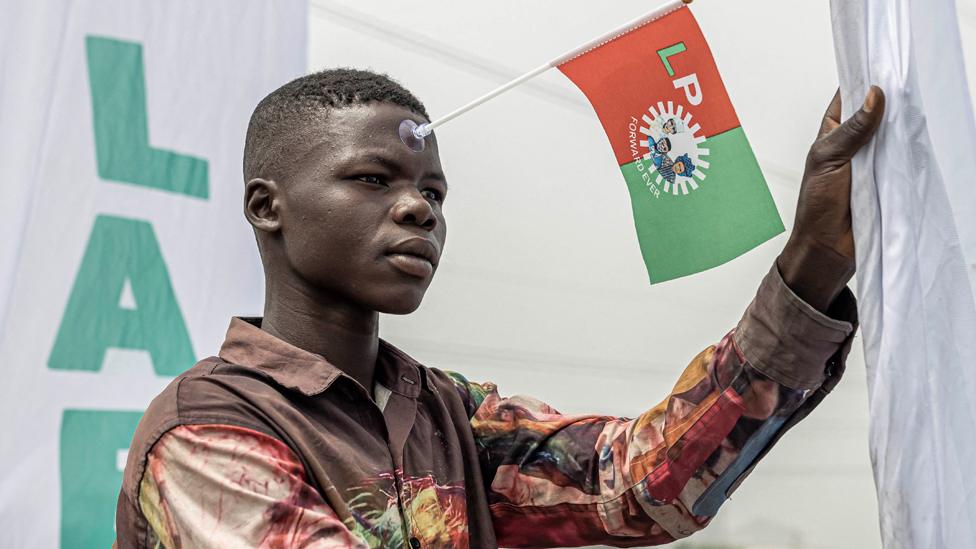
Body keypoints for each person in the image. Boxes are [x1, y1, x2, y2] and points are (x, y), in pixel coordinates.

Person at [114, 69, 885, 548]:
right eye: (373, 179)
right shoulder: (209, 432)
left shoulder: (448, 413)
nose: (417, 207)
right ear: (266, 206)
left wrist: (810, 268)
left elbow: (641, 484)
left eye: (434, 192)